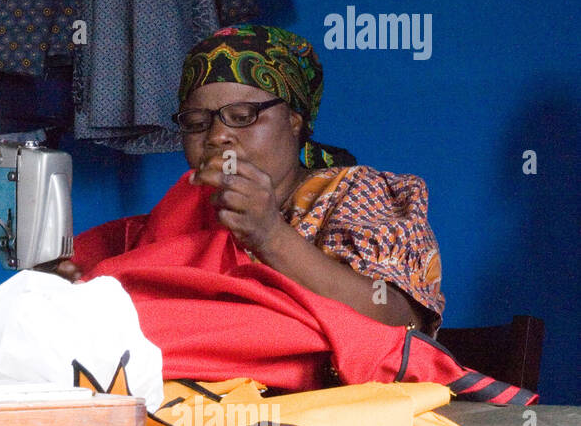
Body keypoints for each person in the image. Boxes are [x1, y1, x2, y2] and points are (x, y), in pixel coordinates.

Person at [58, 24, 445, 333]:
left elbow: (398, 317)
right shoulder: (181, 213)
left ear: (295, 120)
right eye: (196, 123)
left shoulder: (356, 193)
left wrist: (271, 236)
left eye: (242, 116)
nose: (217, 136)